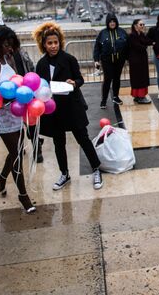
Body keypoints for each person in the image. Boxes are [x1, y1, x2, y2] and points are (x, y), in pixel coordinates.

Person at [34, 22, 104, 191]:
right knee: (59, 143)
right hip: (53, 110)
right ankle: (64, 173)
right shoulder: (41, 64)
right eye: (49, 43)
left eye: (55, 42)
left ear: (60, 42)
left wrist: (74, 83)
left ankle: (96, 169)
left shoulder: (69, 59)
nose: (53, 46)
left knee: (83, 139)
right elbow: (38, 86)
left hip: (72, 106)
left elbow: (80, 79)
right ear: (44, 45)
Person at [0, 25, 36, 214]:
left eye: (11, 44)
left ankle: (2, 177)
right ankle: (23, 195)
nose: (9, 48)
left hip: (16, 111)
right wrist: (13, 97)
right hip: (1, 114)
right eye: (5, 44)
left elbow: (18, 81)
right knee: (17, 154)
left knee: (16, 150)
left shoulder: (9, 57)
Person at [93, 13, 128, 108]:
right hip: (107, 61)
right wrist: (96, 60)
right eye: (110, 21)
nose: (112, 23)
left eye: (114, 21)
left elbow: (127, 46)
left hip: (119, 60)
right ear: (107, 23)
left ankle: (115, 97)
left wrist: (128, 58)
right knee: (107, 80)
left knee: (117, 79)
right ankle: (104, 100)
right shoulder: (102, 33)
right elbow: (97, 47)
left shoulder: (122, 32)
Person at [128, 19, 152, 104]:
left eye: (143, 25)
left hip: (142, 60)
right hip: (135, 61)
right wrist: (144, 44)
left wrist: (145, 44)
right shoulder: (132, 36)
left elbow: (148, 41)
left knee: (142, 77)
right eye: (140, 25)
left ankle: (139, 96)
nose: (142, 26)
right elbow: (139, 47)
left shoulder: (141, 34)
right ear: (135, 26)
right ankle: (140, 96)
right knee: (138, 78)